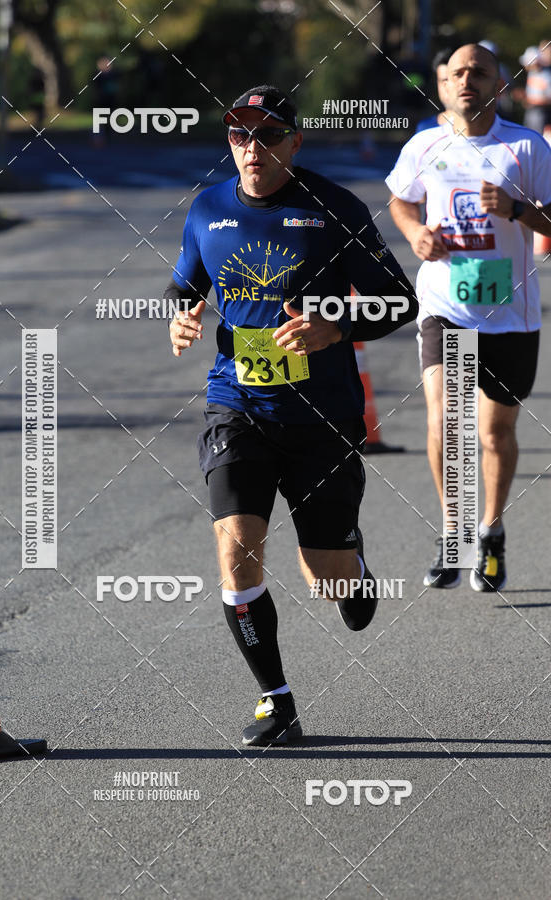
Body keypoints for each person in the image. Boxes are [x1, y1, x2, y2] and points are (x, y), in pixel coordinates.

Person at [166, 85, 417, 746]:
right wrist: (182, 312)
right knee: (236, 547)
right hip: (237, 404)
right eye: (240, 134)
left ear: (293, 144)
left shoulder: (335, 208)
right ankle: (276, 701)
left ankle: (351, 566)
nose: (253, 148)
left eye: (268, 136)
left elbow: (399, 301)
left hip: (323, 418)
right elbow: (187, 280)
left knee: (325, 576)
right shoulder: (207, 208)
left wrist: (334, 326)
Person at [386, 44, 551, 593]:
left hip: (510, 316)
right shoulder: (425, 145)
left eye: (478, 73)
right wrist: (415, 234)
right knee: (444, 425)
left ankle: (492, 530)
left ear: (499, 84)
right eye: (457, 73)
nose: (467, 81)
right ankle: (453, 534)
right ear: (440, 83)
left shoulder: (525, 147)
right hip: (446, 310)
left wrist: (517, 210)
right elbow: (401, 200)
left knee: (494, 432)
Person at [415, 48, 454, 133]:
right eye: (443, 80)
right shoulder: (424, 129)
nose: (447, 87)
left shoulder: (487, 130)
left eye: (453, 79)